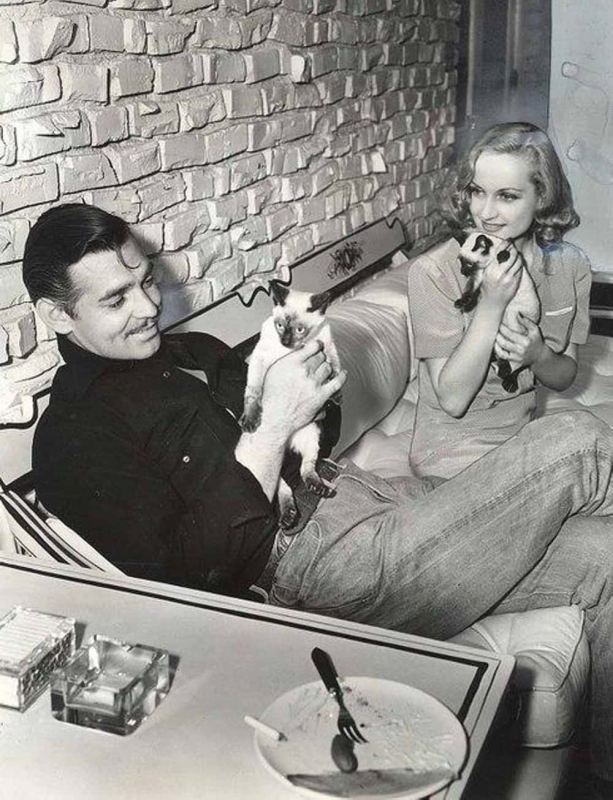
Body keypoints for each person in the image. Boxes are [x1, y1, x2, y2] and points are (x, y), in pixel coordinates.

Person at [23, 203, 613, 794]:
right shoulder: (74, 436)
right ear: (56, 314)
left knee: (606, 556)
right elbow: (185, 583)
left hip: (364, 496)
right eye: (117, 299)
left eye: (147, 281)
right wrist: (274, 425)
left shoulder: (190, 351)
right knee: (574, 439)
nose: (149, 307)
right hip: (317, 575)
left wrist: (310, 394)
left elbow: (310, 434)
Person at [407, 122, 592, 479]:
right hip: (451, 454)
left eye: (507, 196)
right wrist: (492, 304)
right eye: (477, 192)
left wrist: (538, 355)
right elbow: (453, 400)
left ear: (542, 196)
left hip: (519, 443)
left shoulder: (571, 265)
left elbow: (564, 376)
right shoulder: (433, 271)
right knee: (590, 447)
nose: (486, 212)